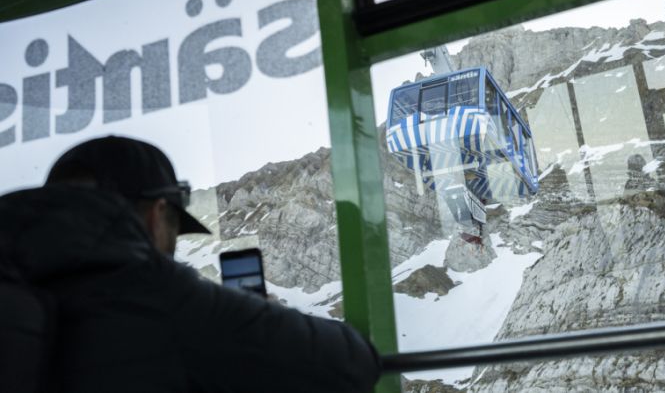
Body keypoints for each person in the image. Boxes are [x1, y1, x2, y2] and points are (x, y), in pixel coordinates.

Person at [0, 136, 380, 392]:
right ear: (156, 215)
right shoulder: (158, 292)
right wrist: (256, 312)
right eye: (174, 230)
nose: (173, 247)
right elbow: (350, 362)